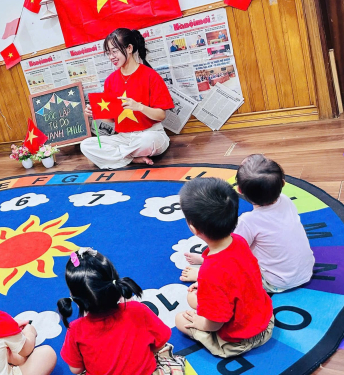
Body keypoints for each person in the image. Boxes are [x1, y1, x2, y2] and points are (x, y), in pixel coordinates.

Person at [174, 178, 274, 358]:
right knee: (193, 297)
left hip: (240, 340)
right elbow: (239, 277)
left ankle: (218, 342)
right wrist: (206, 289)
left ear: (194, 228)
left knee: (180, 319)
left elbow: (216, 322)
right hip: (265, 320)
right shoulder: (240, 241)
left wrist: (199, 322)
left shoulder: (210, 272)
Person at [184, 155, 315, 292]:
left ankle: (206, 276)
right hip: (305, 271)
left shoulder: (248, 221)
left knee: (234, 260)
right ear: (283, 183)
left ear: (239, 190)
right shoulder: (286, 200)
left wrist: (209, 268)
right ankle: (206, 262)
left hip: (276, 282)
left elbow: (229, 253)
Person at [58, 248, 181, 375]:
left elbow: (76, 369)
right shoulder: (137, 309)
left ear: (74, 298)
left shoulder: (75, 329)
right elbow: (161, 342)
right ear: (115, 283)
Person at [81, 28, 174, 169]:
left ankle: (121, 156)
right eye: (108, 53)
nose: (111, 57)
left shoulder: (150, 76)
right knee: (86, 145)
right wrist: (96, 113)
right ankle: (132, 158)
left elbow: (161, 115)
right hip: (123, 138)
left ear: (129, 48)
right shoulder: (110, 81)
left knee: (148, 141)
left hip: (150, 134)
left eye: (114, 51)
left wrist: (139, 107)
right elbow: (111, 119)